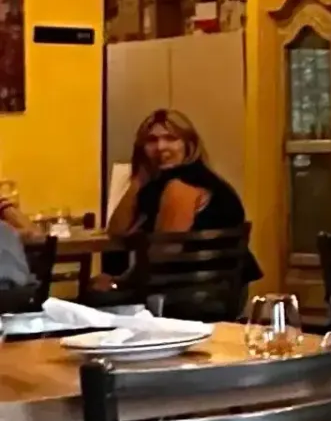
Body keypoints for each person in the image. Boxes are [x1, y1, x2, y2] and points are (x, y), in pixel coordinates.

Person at [100, 109, 263, 293]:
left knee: (90, 298)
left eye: (171, 138)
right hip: (210, 290)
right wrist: (137, 181)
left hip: (193, 294)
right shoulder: (157, 186)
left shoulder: (183, 187)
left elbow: (163, 255)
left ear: (189, 144)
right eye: (151, 140)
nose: (161, 147)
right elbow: (114, 235)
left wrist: (118, 284)